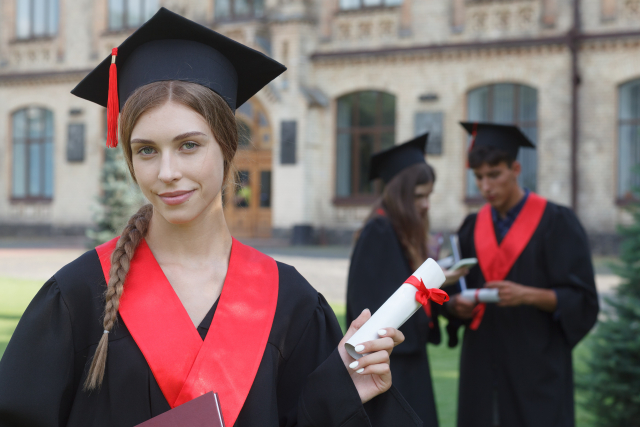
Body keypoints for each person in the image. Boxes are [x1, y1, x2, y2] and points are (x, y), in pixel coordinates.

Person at [0, 9, 425, 427]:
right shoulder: (77, 296)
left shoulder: (290, 302)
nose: (167, 172)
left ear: (226, 147)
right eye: (146, 149)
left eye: (189, 145)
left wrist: (343, 387)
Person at [445, 122, 599, 427]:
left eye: (494, 175)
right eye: (478, 177)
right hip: (482, 363)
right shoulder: (471, 227)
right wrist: (454, 306)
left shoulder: (557, 223)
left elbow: (582, 299)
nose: (486, 187)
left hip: (537, 364)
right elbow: (453, 290)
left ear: (515, 168)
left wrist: (527, 295)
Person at [346, 134, 468, 427]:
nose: (426, 205)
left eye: (428, 195)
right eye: (418, 196)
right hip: (391, 368)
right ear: (400, 194)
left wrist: (438, 288)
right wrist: (430, 288)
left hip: (408, 363)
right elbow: (373, 311)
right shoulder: (379, 232)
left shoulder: (399, 231)